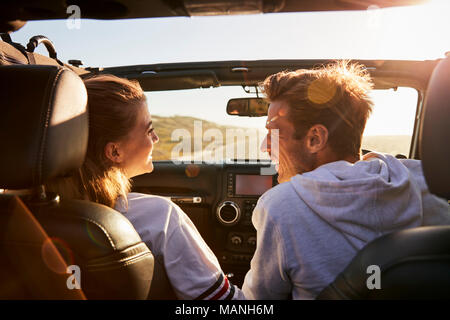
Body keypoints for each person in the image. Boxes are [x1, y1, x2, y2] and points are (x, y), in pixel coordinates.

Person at [241, 61, 450, 300]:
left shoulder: (280, 205)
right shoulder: (424, 182)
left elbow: (257, 301)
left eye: (274, 133)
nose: (264, 146)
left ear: (315, 138)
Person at [47, 74, 244, 300]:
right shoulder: (159, 217)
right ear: (114, 152)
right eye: (149, 130)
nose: (156, 138)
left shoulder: (20, 214)